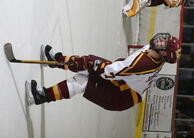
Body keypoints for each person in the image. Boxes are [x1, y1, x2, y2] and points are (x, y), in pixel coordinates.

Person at [27, 33, 181, 111]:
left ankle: (40, 96)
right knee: (88, 63)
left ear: (164, 54)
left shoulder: (143, 63)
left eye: (164, 43)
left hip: (121, 96)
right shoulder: (154, 51)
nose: (161, 40)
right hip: (124, 84)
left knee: (83, 80)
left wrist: (96, 66)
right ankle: (57, 61)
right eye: (164, 39)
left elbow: (112, 71)